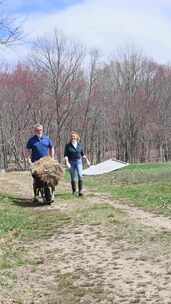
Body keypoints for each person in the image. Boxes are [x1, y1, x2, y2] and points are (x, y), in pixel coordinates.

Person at [26, 123, 55, 201]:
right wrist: (28, 159)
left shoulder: (47, 138)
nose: (39, 131)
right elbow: (28, 150)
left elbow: (51, 147)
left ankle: (52, 194)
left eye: (40, 130)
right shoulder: (31, 140)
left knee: (51, 177)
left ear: (42, 130)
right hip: (36, 163)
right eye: (37, 130)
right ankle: (36, 195)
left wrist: (52, 158)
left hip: (46, 162)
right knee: (36, 178)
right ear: (35, 131)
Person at [64, 131, 90, 196]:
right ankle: (74, 191)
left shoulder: (79, 145)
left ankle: (80, 191)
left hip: (79, 162)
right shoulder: (67, 146)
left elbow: (82, 154)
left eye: (74, 137)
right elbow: (65, 155)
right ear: (70, 138)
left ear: (76, 137)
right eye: (72, 137)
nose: (73, 138)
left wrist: (87, 160)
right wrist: (67, 162)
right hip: (71, 162)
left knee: (80, 175)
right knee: (73, 177)